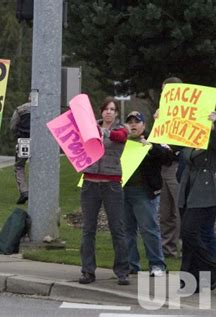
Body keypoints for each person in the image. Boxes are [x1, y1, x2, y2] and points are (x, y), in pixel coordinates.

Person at [79, 96, 130, 285]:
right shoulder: (89, 129)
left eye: (112, 109)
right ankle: (87, 271)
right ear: (101, 112)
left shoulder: (120, 130)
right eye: (106, 109)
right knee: (88, 230)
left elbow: (121, 138)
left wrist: (102, 132)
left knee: (117, 229)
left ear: (116, 113)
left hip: (112, 184)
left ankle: (122, 271)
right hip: (90, 182)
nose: (108, 112)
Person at [123, 111, 168, 277]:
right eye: (130, 122)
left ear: (144, 125)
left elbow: (167, 157)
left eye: (137, 121)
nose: (133, 125)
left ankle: (157, 264)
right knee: (127, 230)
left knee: (149, 229)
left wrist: (151, 146)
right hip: (124, 190)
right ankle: (131, 264)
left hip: (144, 192)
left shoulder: (152, 139)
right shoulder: (122, 141)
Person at [178, 110, 216, 291]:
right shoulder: (189, 135)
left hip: (205, 190)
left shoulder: (213, 135)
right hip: (187, 190)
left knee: (190, 233)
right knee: (189, 236)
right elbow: (179, 151)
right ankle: (189, 280)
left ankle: (213, 267)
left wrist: (214, 127)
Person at [159, 77, 183, 258]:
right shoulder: (161, 116)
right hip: (164, 167)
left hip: (179, 167)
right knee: (166, 212)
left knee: (179, 209)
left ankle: (183, 247)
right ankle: (168, 249)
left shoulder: (187, 117)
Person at [10, 96, 31, 204]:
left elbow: (13, 125)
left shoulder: (20, 109)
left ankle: (24, 191)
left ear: (29, 97)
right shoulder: (45, 110)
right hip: (39, 142)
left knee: (19, 166)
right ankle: (37, 192)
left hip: (24, 141)